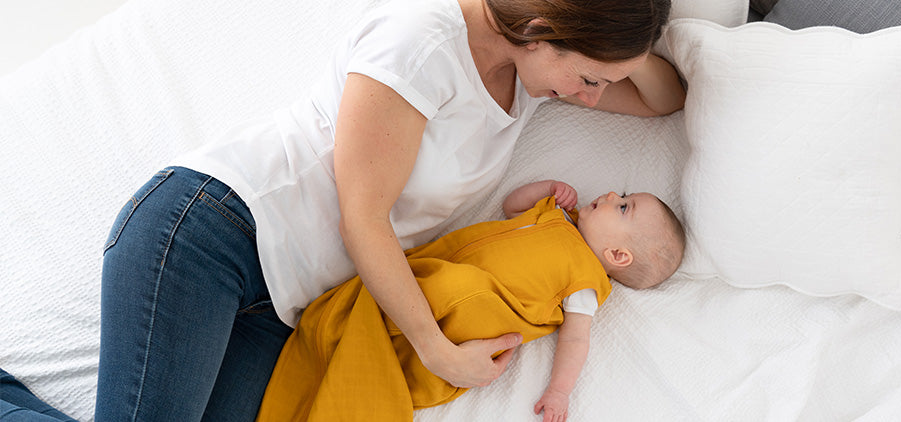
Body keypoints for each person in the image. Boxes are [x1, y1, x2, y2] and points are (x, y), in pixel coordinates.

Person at [95, 0, 686, 420]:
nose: (592, 97)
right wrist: (438, 352)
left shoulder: (530, 78)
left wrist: (626, 52)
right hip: (219, 233)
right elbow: (364, 218)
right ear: (539, 29)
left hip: (288, 308)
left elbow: (666, 100)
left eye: (602, 83)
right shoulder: (421, 37)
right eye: (588, 77)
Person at [256, 180, 686, 421]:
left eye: (624, 207)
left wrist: (559, 391)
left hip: (471, 309)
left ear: (618, 257)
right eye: (622, 195)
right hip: (433, 273)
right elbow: (509, 206)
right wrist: (543, 188)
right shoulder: (556, 214)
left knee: (455, 297)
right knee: (413, 289)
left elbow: (576, 341)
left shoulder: (587, 284)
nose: (611, 195)